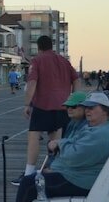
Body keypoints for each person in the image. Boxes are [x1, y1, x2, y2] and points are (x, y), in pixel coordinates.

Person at [1, 92, 109, 202]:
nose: (88, 111)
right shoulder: (97, 128)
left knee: (29, 184)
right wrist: (63, 147)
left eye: (92, 108)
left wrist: (60, 145)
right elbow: (73, 146)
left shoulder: (100, 135)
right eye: (87, 108)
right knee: (32, 181)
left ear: (105, 111)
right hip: (81, 177)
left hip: (80, 181)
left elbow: (72, 156)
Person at [22, 35, 82, 178]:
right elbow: (77, 80)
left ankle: (29, 172)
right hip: (63, 106)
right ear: (52, 46)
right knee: (55, 139)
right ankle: (53, 168)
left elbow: (32, 83)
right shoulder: (64, 61)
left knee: (34, 136)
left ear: (39, 47)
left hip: (43, 105)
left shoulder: (37, 61)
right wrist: (74, 99)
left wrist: (26, 104)